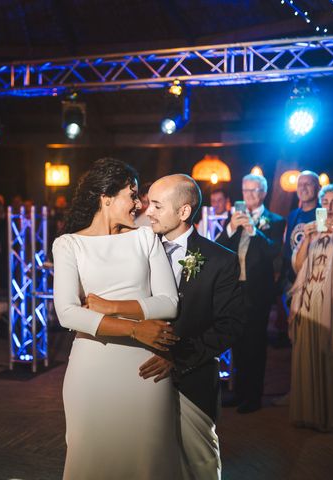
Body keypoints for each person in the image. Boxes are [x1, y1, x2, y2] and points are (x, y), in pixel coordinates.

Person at [52, 158, 183, 479]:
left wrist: (110, 306)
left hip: (145, 371)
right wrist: (136, 331)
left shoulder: (145, 238)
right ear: (106, 197)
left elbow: (169, 303)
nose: (139, 204)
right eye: (133, 195)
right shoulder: (69, 244)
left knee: (148, 459)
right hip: (92, 370)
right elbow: (67, 312)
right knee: (92, 460)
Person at [139, 174, 245, 479]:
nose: (149, 211)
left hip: (192, 380)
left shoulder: (220, 260)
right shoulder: (138, 252)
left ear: (184, 212)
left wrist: (177, 357)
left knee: (199, 464)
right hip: (140, 378)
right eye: (148, 203)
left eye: (157, 205)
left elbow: (230, 325)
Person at [288, 183, 333, 434]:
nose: (329, 207)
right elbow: (298, 267)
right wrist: (308, 237)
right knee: (307, 355)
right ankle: (308, 414)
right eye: (326, 202)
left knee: (332, 353)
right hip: (309, 299)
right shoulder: (312, 232)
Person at [216, 173, 285, 414]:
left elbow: (273, 252)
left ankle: (254, 396)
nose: (249, 195)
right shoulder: (232, 217)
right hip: (235, 290)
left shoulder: (275, 220)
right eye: (245, 190)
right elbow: (219, 247)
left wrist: (255, 230)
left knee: (255, 344)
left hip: (258, 291)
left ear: (264, 193)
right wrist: (232, 227)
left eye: (254, 190)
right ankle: (239, 392)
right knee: (238, 342)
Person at [275, 170, 321, 348]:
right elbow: (288, 247)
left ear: (317, 188)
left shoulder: (321, 214)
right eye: (300, 184)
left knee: (310, 328)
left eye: (308, 184)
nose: (303, 187)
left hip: (312, 279)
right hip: (291, 278)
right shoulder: (293, 214)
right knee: (294, 327)